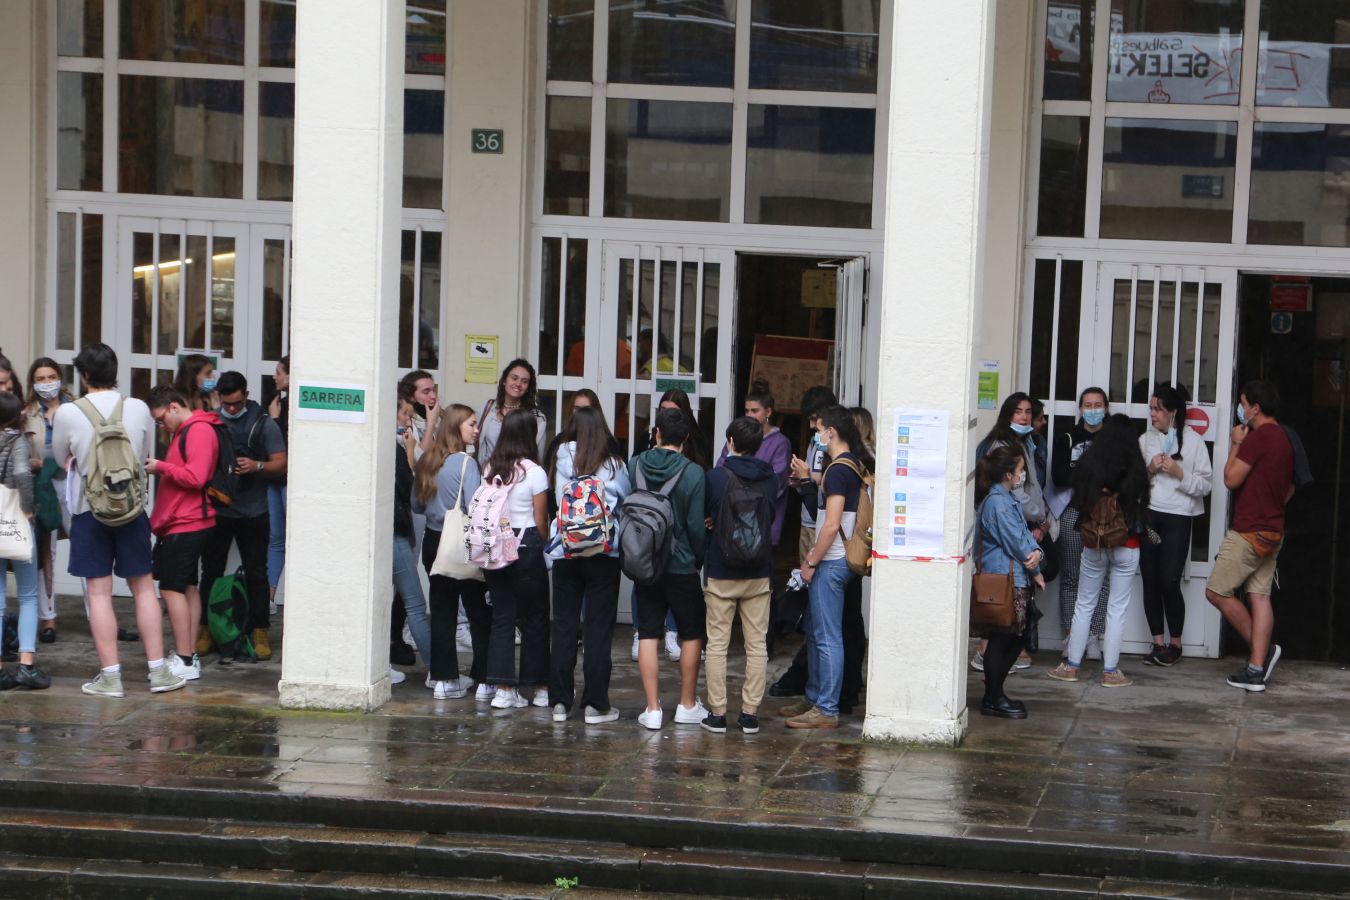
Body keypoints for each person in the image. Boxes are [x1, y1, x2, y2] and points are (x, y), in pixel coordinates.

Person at [52, 342, 184, 697]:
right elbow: (141, 456)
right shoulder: (138, 408)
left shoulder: (68, 412)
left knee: (99, 593)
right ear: (115, 372)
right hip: (130, 509)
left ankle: (110, 677)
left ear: (83, 375)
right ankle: (158, 672)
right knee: (143, 588)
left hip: (88, 510)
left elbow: (60, 455)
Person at [782, 405, 872, 729]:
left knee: (827, 636)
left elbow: (831, 525)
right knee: (820, 632)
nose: (817, 435)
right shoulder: (851, 466)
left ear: (831, 432)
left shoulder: (838, 470)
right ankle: (815, 698)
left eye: (820, 429)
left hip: (832, 561)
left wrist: (810, 562)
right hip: (839, 562)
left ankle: (826, 708)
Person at [1049, 414, 1150, 688]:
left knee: (1084, 604)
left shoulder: (1089, 464)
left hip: (1093, 543)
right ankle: (1110, 671)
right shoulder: (1136, 469)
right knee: (1116, 609)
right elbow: (1143, 506)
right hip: (1126, 544)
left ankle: (1071, 666)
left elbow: (1078, 500)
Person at [1205, 380, 1292, 692]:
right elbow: (1291, 487)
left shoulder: (1258, 439)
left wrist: (1237, 443)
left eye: (1243, 403)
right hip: (1274, 529)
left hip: (1249, 530)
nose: (1240, 409)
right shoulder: (1284, 438)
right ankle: (1256, 669)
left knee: (1216, 591)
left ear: (1255, 408)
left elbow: (1230, 479)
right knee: (1259, 596)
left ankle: (1262, 653)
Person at [547, 406, 630, 724]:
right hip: (602, 552)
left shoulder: (560, 457)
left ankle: (559, 703)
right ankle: (596, 704)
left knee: (564, 626)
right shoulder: (613, 464)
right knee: (598, 630)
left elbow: (557, 497)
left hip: (566, 551)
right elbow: (624, 498)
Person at [197, 371, 287, 663]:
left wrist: (257, 466)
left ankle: (259, 629)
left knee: (257, 573)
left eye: (236, 403)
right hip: (218, 509)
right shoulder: (210, 421)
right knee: (210, 570)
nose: (231, 409)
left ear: (246, 395)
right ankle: (206, 627)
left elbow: (281, 463)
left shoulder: (263, 423)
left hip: (254, 510)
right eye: (227, 404)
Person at [629, 407, 708, 730]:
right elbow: (695, 526)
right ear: (686, 439)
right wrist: (696, 559)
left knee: (648, 632)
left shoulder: (635, 464)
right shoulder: (693, 473)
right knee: (691, 633)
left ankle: (652, 709)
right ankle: (687, 704)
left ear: (656, 433)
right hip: (681, 563)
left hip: (646, 561)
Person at [701, 416, 777, 735]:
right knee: (756, 643)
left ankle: (718, 714)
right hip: (759, 571)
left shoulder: (716, 477)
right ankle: (749, 714)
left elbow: (705, 516)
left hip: (721, 570)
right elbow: (770, 515)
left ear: (730, 442)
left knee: (718, 643)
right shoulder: (769, 478)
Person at [145, 385, 221, 683]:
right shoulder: (190, 429)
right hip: (187, 519)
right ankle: (187, 655)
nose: (161, 425)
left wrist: (161, 467)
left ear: (174, 406)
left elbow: (197, 477)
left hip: (187, 520)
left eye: (162, 418)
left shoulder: (198, 430)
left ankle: (186, 658)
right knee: (187, 587)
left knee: (171, 588)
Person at [414, 403, 489, 700]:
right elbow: (474, 506)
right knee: (479, 611)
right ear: (457, 427)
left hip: (434, 542)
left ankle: (444, 679)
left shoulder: (428, 460)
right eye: (471, 423)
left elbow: (416, 504)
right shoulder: (465, 464)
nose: (476, 429)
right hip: (460, 541)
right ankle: (484, 677)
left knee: (442, 611)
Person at [972, 393, 1049, 672]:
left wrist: (1037, 539)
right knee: (1001, 615)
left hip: (1027, 529)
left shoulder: (1025, 443)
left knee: (1008, 620)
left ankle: (995, 661)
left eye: (1029, 411)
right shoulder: (1002, 451)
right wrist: (1034, 559)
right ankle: (989, 664)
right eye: (1018, 412)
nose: (1024, 417)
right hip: (1006, 553)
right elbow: (1016, 505)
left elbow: (1031, 490)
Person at [481, 410, 551, 710]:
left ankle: (503, 689)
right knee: (535, 618)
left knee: (502, 618)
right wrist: (546, 545)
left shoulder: (490, 468)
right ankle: (538, 688)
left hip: (495, 549)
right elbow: (540, 519)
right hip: (526, 546)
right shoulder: (535, 472)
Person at [771, 385, 837, 699]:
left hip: (822, 529)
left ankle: (822, 696)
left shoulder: (838, 451)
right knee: (811, 607)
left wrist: (809, 477)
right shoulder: (817, 443)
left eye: (815, 421)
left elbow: (831, 491)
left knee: (822, 619)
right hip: (809, 522)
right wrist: (801, 481)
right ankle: (813, 689)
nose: (811, 427)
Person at [1139, 384, 1212, 667]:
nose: (1153, 414)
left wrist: (1180, 473)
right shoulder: (1146, 440)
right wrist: (1150, 470)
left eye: (1157, 408)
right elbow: (1134, 483)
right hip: (1150, 515)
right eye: (1151, 408)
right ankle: (1157, 643)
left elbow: (1205, 486)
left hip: (1179, 517)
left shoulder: (1194, 442)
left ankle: (1175, 643)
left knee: (1170, 579)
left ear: (1173, 412)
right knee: (1150, 578)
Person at [971, 444, 1045, 718]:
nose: (1023, 474)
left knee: (1013, 637)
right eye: (1020, 470)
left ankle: (996, 693)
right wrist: (1033, 558)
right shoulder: (999, 503)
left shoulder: (1005, 498)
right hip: (1004, 579)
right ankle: (993, 696)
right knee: (1004, 638)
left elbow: (1023, 536)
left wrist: (1036, 554)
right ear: (1008, 474)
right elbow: (1016, 539)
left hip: (1012, 576)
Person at [1050, 388, 1111, 659]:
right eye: (1088, 404)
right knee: (1071, 577)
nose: (1093, 409)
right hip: (1073, 514)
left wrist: (1085, 477)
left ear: (1106, 408)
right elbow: (1060, 475)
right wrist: (1093, 479)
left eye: (1098, 404)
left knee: (1102, 578)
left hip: (1105, 516)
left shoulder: (1113, 438)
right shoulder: (1067, 438)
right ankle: (1071, 635)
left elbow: (1117, 475)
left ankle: (1094, 637)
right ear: (1080, 408)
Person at [0, 391, 50, 690]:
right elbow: (21, 474)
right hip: (15, 521)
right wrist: (29, 510)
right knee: (29, 594)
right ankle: (26, 665)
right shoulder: (18, 442)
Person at [22, 358, 74, 644]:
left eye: (51, 376)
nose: (46, 383)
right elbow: (21, 453)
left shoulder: (74, 408)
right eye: (40, 378)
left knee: (86, 548)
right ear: (33, 382)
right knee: (46, 553)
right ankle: (48, 618)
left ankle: (99, 615)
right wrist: (36, 463)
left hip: (72, 484)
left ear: (60, 378)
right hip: (42, 487)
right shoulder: (26, 414)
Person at [716, 382, 791, 546]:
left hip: (763, 523)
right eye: (747, 410)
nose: (749, 415)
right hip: (732, 518)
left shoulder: (780, 443)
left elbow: (777, 481)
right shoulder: (736, 438)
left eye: (755, 411)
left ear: (768, 412)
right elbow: (720, 469)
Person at [391, 391, 432, 685]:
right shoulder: (394, 447)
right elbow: (410, 486)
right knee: (416, 604)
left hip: (389, 530)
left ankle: (378, 664)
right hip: (394, 531)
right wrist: (409, 451)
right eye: (405, 414)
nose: (408, 420)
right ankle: (439, 671)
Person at [477, 359, 548, 464]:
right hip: (487, 476)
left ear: (528, 387)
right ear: (505, 380)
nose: (518, 384)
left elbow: (537, 457)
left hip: (519, 477)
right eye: (514, 378)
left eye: (524, 382)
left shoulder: (536, 418)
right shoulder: (487, 408)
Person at [266, 356, 289, 615]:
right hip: (273, 479)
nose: (275, 376)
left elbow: (281, 441)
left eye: (279, 372)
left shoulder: (292, 406)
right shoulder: (276, 403)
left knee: (289, 539)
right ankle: (269, 598)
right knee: (275, 539)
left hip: (288, 480)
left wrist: (274, 420)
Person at [400, 369, 440, 453]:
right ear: (410, 396)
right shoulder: (404, 421)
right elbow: (419, 459)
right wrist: (431, 423)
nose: (433, 396)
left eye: (433, 390)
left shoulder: (440, 417)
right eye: (426, 392)